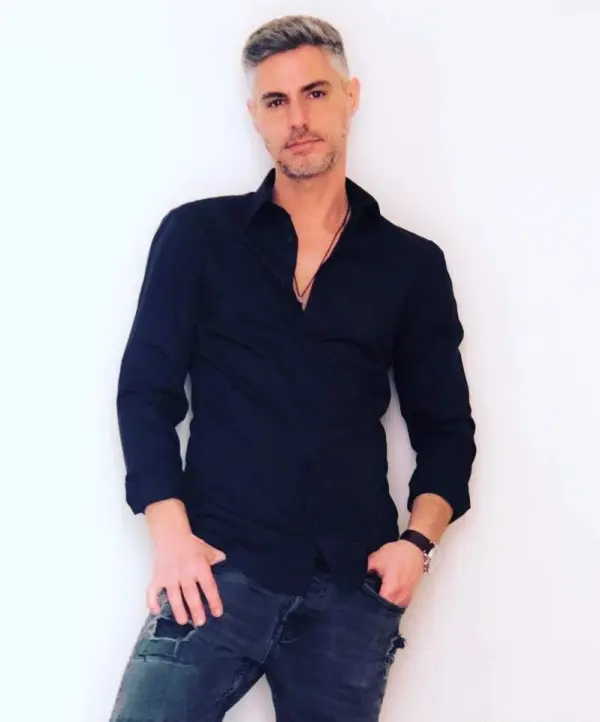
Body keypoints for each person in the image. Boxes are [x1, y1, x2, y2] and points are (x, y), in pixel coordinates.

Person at [109, 14, 476, 722]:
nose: (298, 119)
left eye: (315, 93)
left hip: (349, 589)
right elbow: (145, 392)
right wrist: (171, 537)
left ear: (350, 96)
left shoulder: (410, 264)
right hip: (214, 569)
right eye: (276, 101)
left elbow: (447, 428)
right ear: (256, 115)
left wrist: (417, 545)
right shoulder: (197, 236)